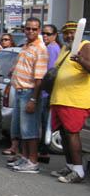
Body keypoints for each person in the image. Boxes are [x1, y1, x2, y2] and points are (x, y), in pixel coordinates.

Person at [49, 21, 90, 184]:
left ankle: (78, 171)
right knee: (64, 134)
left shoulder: (85, 46)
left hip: (74, 100)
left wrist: (80, 60)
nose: (69, 36)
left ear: (79, 33)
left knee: (72, 134)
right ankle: (70, 165)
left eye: (72, 32)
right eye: (66, 33)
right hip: (60, 99)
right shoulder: (65, 49)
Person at [8, 17, 48, 174]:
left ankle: (33, 161)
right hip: (19, 91)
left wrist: (33, 99)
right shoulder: (26, 46)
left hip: (29, 92)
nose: (31, 31)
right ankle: (24, 158)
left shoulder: (40, 49)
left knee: (30, 130)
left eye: (34, 29)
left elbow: (39, 79)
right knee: (22, 129)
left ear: (39, 30)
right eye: (28, 28)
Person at [38, 24, 61, 162]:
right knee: (44, 122)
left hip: (46, 93)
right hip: (46, 92)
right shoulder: (51, 48)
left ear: (55, 35)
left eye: (48, 33)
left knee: (45, 122)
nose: (45, 36)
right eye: (44, 33)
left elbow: (49, 73)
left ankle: (44, 151)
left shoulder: (52, 49)